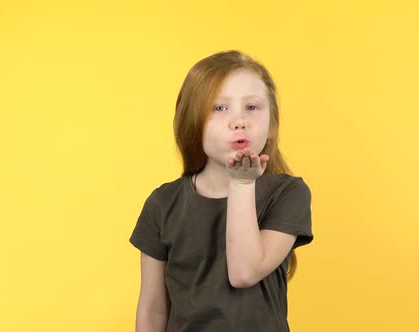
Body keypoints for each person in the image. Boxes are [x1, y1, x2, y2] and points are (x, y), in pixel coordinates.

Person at [129, 49, 313, 332]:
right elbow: (153, 308)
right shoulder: (162, 204)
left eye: (252, 107)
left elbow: (244, 272)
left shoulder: (288, 193)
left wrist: (241, 183)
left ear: (272, 125)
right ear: (192, 123)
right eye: (219, 108)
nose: (239, 120)